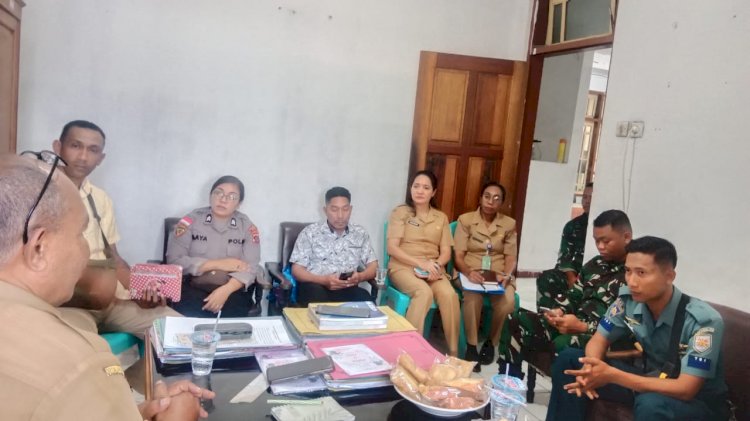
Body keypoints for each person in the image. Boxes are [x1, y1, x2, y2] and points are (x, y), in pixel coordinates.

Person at [0, 153, 214, 420]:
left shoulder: (99, 200)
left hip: (112, 300)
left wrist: (136, 414)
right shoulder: (77, 363)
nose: (86, 250)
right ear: (39, 247)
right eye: (80, 233)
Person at [546, 236, 729, 421]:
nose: (631, 282)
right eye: (627, 271)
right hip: (651, 379)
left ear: (669, 276)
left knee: (651, 404)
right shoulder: (628, 302)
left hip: (697, 403)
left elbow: (686, 389)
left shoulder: (703, 320)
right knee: (569, 359)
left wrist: (613, 376)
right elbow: (599, 340)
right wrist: (590, 368)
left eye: (641, 273)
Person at [52, 120, 180, 338]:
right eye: (75, 146)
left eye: (92, 150)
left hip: (112, 302)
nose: (83, 156)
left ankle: (145, 374)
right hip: (69, 305)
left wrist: (140, 292)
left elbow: (114, 258)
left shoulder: (100, 198)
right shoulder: (39, 192)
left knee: (179, 331)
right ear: (58, 147)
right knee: (80, 351)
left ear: (101, 158)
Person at [515, 210, 633, 355]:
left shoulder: (635, 272)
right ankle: (508, 375)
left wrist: (583, 327)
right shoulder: (594, 264)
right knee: (518, 319)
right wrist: (560, 311)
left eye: (606, 241)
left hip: (603, 337)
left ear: (626, 237)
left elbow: (626, 327)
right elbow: (573, 296)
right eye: (597, 241)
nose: (600, 247)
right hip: (576, 324)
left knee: (562, 344)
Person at [167, 175, 264, 317]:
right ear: (210, 196)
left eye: (231, 196)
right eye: (218, 193)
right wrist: (219, 264)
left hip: (232, 291)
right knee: (189, 328)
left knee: (230, 330)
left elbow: (251, 267)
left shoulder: (247, 227)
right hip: (192, 287)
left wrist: (225, 291)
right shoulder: (189, 221)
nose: (223, 199)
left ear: (239, 203)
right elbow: (174, 261)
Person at [387, 170, 460, 356]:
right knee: (423, 292)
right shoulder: (401, 212)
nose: (420, 191)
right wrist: (420, 263)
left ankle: (453, 352)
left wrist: (435, 265)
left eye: (426, 187)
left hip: (433, 269)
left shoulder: (441, 217)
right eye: (416, 186)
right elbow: (392, 248)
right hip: (403, 267)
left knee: (449, 295)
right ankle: (410, 352)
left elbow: (445, 252)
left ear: (433, 192)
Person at [454, 181, 517, 370]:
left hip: (497, 276)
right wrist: (468, 272)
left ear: (502, 203)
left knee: (507, 302)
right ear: (480, 198)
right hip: (469, 272)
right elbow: (458, 256)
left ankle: (491, 342)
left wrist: (506, 275)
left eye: (496, 198)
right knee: (472, 298)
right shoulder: (465, 220)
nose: (491, 201)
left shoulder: (509, 224)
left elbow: (511, 256)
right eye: (487, 196)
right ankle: (471, 347)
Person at [290, 186, 377, 307]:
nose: (340, 215)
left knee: (367, 303)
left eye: (345, 209)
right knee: (318, 304)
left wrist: (360, 277)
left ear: (350, 209)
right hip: (315, 287)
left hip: (347, 288)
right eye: (334, 209)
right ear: (325, 210)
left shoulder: (360, 233)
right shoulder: (310, 233)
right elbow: (297, 270)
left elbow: (373, 266)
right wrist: (324, 280)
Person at [537, 183, 594, 310]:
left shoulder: (604, 226)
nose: (587, 201)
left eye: (591, 197)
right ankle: (545, 320)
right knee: (547, 278)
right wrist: (571, 277)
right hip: (572, 273)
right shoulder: (572, 226)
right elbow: (565, 257)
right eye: (585, 197)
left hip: (592, 275)